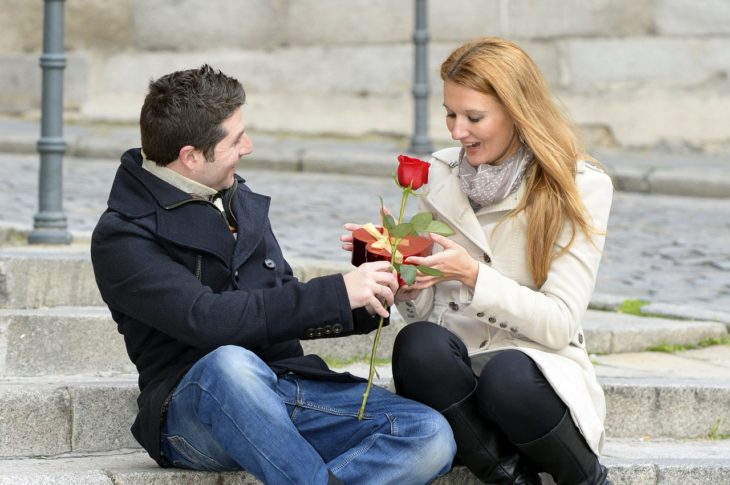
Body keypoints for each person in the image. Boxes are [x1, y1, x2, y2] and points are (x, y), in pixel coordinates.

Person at [90, 64, 456, 485]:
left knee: (428, 434)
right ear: (190, 156)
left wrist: (375, 290)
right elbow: (207, 320)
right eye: (235, 138)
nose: (249, 146)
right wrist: (336, 291)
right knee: (229, 364)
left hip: (288, 388)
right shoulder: (123, 234)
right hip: (193, 409)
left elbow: (283, 298)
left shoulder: (236, 199)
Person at [343, 37, 613, 484]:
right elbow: (426, 312)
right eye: (450, 114)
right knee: (417, 344)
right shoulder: (440, 174)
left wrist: (473, 276)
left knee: (507, 374)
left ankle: (587, 478)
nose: (456, 131)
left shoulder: (579, 185)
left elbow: (561, 323)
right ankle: (508, 476)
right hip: (460, 382)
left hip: (534, 377)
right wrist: (408, 280)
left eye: (474, 117)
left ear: (516, 112)